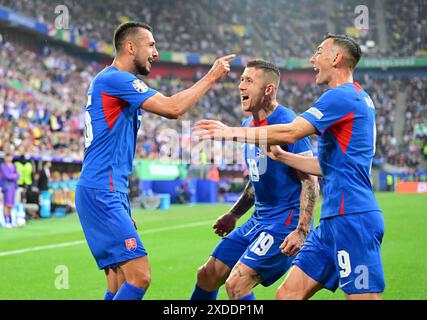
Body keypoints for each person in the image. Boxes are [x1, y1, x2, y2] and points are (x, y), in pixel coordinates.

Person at [193, 34, 385, 300]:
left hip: (353, 216)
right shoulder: (354, 98)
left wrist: (229, 132)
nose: (312, 59)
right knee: (287, 295)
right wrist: (283, 158)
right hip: (331, 220)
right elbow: (329, 165)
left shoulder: (341, 97)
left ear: (337, 58)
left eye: (319, 52)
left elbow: (293, 132)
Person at [75, 21, 234, 300]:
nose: (156, 53)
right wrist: (211, 76)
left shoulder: (107, 81)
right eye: (151, 45)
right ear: (130, 47)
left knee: (117, 283)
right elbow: (174, 108)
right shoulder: (116, 79)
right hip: (102, 190)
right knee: (140, 276)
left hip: (106, 189)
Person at [190, 60, 319, 300]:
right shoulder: (248, 126)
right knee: (207, 275)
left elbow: (310, 182)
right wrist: (234, 214)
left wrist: (302, 230)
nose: (241, 86)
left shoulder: (289, 125)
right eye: (241, 80)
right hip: (257, 220)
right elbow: (256, 178)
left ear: (268, 89)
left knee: (237, 285)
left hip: (285, 222)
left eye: (249, 81)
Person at [0, 153, 20, 228]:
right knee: (6, 204)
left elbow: (17, 175)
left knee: (11, 204)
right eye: (7, 156)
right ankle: (6, 221)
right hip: (6, 187)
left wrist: (14, 176)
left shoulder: (14, 165)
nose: (9, 158)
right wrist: (14, 176)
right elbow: (6, 176)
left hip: (13, 187)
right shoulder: (3, 166)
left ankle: (11, 220)